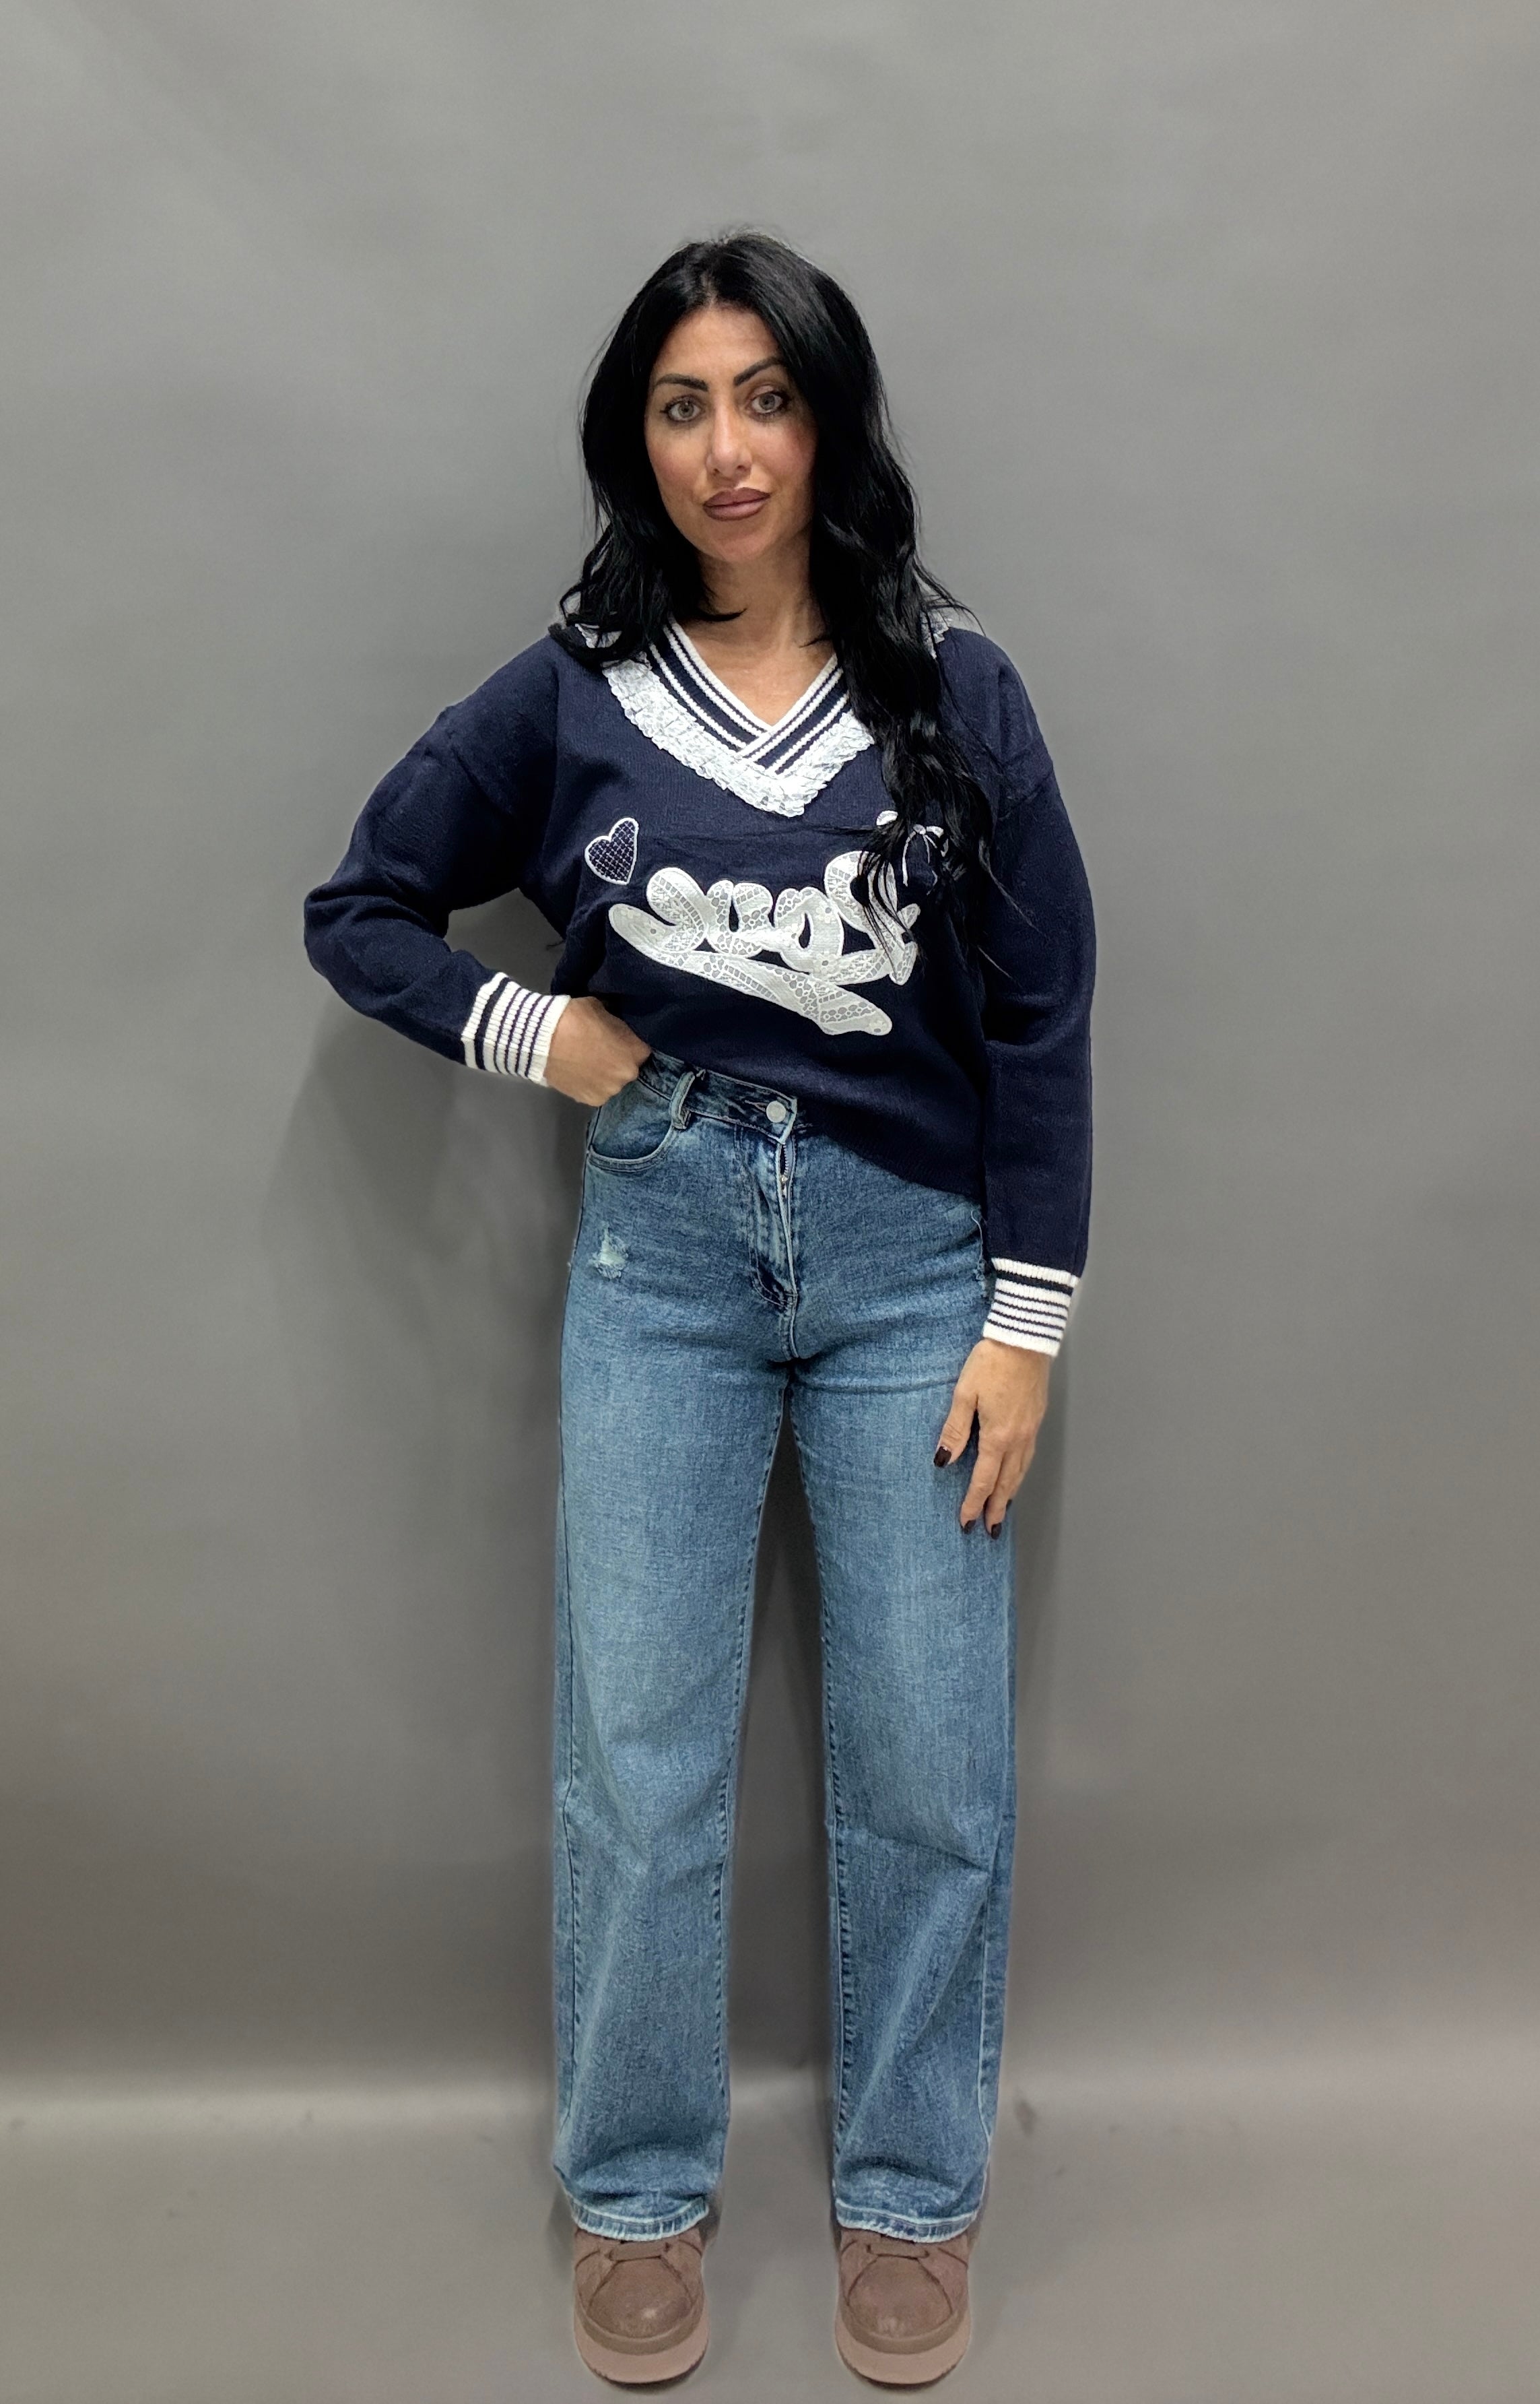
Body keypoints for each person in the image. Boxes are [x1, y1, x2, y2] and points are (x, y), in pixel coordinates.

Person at [303, 227, 1095, 2388]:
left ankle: (911, 2191)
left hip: (916, 1267)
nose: (727, 447)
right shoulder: (574, 694)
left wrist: (1026, 1319)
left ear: (825, 424)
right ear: (633, 440)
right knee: (637, 1761)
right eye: (681, 405)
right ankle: (638, 2187)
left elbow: (1044, 1012)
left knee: (929, 1762)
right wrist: (533, 1035)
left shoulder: (953, 691)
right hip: (659, 1255)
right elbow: (361, 905)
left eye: (765, 397)